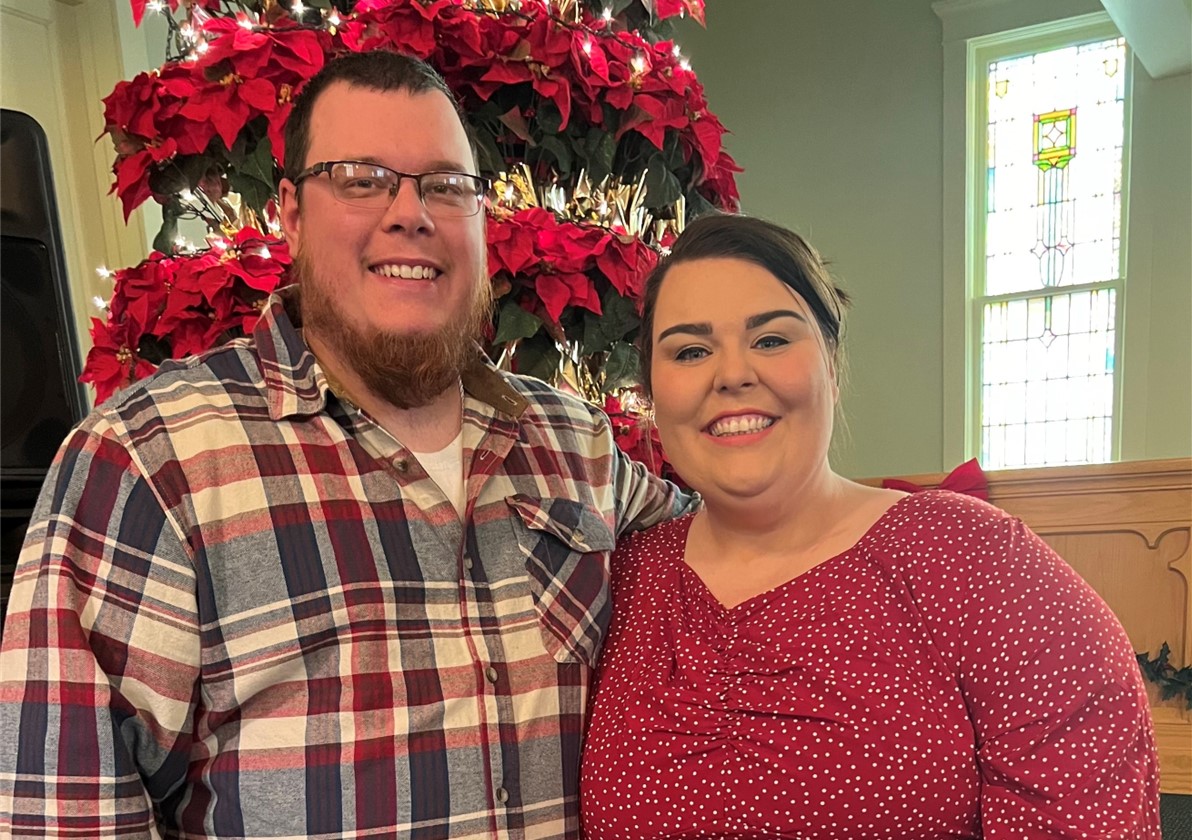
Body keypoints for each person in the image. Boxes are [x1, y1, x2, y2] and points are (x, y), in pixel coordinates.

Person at [0, 52, 690, 839]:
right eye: (362, 179)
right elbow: (63, 814)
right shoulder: (149, 459)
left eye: (446, 185)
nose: (410, 213)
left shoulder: (573, 441)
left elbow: (741, 549)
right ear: (291, 214)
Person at [579, 214, 1161, 838]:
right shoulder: (620, 580)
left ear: (831, 367)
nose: (732, 374)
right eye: (691, 351)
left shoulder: (976, 562)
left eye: (771, 340)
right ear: (652, 395)